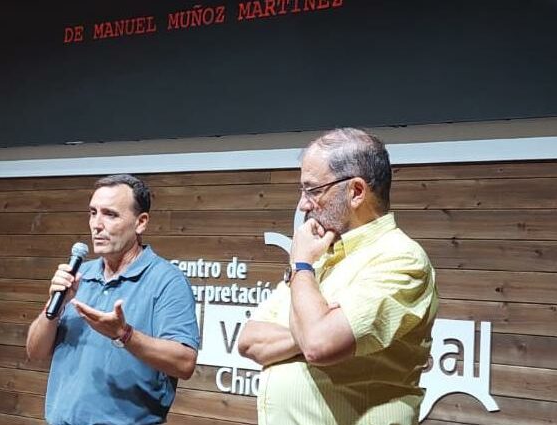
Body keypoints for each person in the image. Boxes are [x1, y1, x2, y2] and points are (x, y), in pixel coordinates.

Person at [238, 128, 438, 425]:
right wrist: (308, 329)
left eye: (313, 190)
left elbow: (318, 345)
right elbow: (250, 341)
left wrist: (302, 266)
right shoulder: (323, 256)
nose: (304, 204)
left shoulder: (400, 257)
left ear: (356, 191)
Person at [25, 174, 199, 425]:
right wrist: (55, 306)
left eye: (110, 214)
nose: (97, 224)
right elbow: (35, 351)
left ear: (140, 222)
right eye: (93, 213)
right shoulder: (79, 277)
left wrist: (124, 334)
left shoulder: (167, 281)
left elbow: (184, 363)